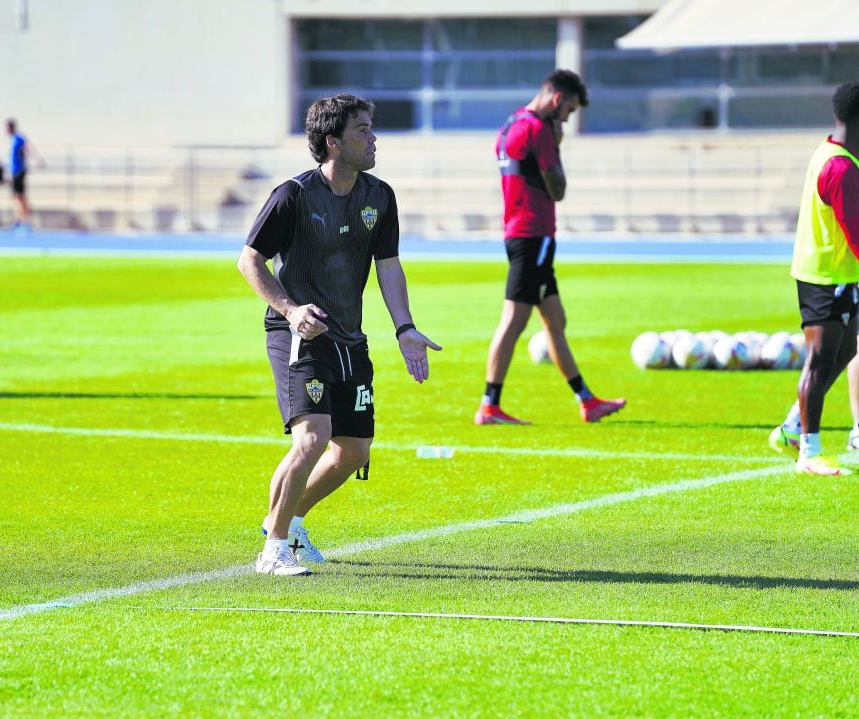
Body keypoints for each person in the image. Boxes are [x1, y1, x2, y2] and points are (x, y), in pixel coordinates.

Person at [238, 94, 441, 576]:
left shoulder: (380, 196)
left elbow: (388, 266)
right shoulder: (293, 195)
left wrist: (405, 328)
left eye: (371, 129)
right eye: (363, 131)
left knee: (352, 452)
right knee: (313, 438)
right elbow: (249, 260)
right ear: (333, 142)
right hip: (300, 337)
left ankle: (286, 522)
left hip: (350, 337)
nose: (374, 139)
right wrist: (288, 310)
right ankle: (274, 549)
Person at [475, 69, 625, 426]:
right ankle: (490, 404)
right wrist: (555, 144)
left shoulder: (510, 125)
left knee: (555, 319)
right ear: (558, 99)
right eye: (569, 112)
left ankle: (587, 400)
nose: (567, 120)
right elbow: (557, 189)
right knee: (514, 320)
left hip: (517, 231)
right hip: (534, 234)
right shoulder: (539, 130)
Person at [769, 81, 859, 475]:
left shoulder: (833, 153)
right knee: (821, 361)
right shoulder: (840, 168)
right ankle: (809, 450)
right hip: (825, 276)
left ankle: (791, 427)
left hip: (836, 273)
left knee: (844, 352)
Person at [5, 118, 44, 230]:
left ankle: (23, 220)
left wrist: (37, 159)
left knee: (19, 196)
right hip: (14, 171)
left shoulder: (18, 138)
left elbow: (28, 149)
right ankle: (21, 219)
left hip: (19, 171)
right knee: (19, 196)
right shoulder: (12, 140)